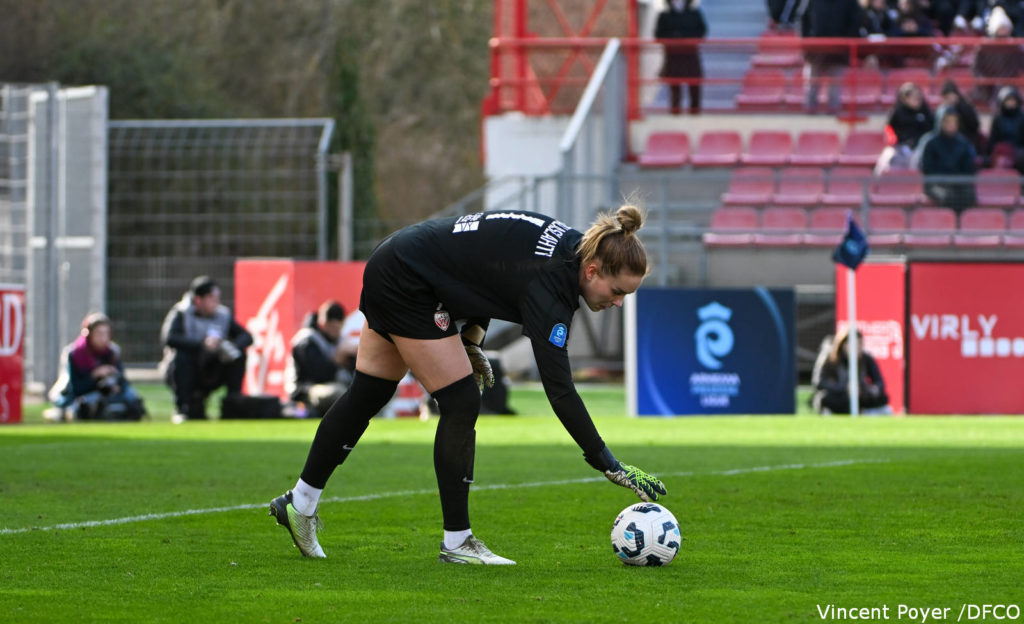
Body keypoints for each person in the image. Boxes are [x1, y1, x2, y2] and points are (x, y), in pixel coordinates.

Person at [269, 206, 667, 565]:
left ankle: (300, 502)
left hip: (397, 257)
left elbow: (489, 270)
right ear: (592, 271)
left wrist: (471, 339)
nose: (618, 303)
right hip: (409, 280)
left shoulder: (571, 248)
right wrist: (608, 463)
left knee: (369, 391)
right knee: (460, 399)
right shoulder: (552, 285)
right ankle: (458, 542)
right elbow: (560, 391)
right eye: (617, 292)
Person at [159, 275, 253, 424]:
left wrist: (226, 347)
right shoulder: (181, 313)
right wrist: (202, 344)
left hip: (213, 368)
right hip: (188, 369)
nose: (216, 303)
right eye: (212, 299)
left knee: (237, 355)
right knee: (180, 356)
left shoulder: (223, 315)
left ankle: (232, 405)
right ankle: (183, 408)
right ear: (198, 300)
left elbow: (247, 337)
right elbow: (169, 338)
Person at [45, 312, 146, 422]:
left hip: (108, 395)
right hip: (80, 395)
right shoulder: (74, 353)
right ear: (89, 334)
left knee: (130, 396)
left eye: (106, 333)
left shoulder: (113, 352)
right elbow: (75, 388)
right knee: (82, 404)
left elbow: (123, 382)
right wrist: (95, 375)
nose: (103, 338)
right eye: (99, 333)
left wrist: (115, 384)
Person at [285, 300, 355, 418]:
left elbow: (352, 373)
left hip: (333, 386)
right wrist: (337, 359)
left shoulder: (340, 340)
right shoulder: (307, 339)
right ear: (323, 323)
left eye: (338, 327)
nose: (335, 330)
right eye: (332, 326)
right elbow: (318, 376)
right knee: (339, 393)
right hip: (304, 391)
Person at [800, 0, 864, 112]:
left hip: (838, 50)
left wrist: (846, 43)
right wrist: (807, 42)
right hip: (815, 49)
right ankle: (809, 112)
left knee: (834, 86)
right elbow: (802, 19)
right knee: (812, 84)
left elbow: (855, 21)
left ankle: (833, 112)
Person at [812, 328, 892, 415]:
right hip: (839, 395)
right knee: (825, 398)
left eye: (860, 344)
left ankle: (864, 412)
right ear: (844, 345)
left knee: (882, 398)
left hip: (860, 395)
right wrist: (843, 388)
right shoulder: (830, 358)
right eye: (854, 345)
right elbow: (818, 382)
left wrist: (863, 390)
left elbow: (879, 383)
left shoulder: (866, 358)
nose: (858, 348)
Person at [654, 0, 707, 115]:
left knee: (694, 86)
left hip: (690, 55)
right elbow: (658, 35)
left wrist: (685, 38)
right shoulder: (664, 15)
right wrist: (674, 37)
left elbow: (702, 31)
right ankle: (675, 113)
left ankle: (695, 113)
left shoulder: (694, 14)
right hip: (673, 56)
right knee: (675, 88)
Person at [920, 109, 978, 213]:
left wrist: (957, 180)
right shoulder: (931, 144)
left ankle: (961, 221)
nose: (951, 125)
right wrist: (944, 180)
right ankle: (946, 221)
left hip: (959, 185)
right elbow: (928, 169)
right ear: (941, 123)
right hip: (936, 184)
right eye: (947, 121)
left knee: (969, 196)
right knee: (947, 196)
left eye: (954, 122)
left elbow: (968, 169)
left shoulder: (964, 144)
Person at [877, 82, 934, 172]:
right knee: (886, 157)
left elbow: (930, 132)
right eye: (911, 97)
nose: (916, 100)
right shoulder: (897, 113)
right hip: (900, 147)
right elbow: (889, 130)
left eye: (917, 97)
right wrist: (892, 141)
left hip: (920, 148)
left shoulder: (925, 113)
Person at [984, 85, 1024, 169]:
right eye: (1008, 100)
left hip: (1018, 154)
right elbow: (993, 139)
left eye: (1013, 100)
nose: (1011, 103)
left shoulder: (1022, 118)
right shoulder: (998, 119)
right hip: (1000, 153)